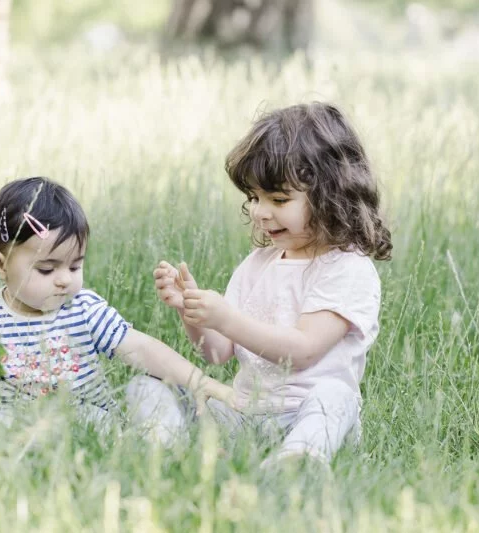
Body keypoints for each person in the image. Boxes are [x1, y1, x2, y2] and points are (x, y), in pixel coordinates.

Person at [154, 102, 392, 464]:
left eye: (279, 199)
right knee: (160, 389)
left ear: (330, 196)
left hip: (306, 416)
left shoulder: (347, 269)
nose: (261, 212)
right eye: (254, 198)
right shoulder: (258, 265)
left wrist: (226, 318)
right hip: (247, 412)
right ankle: (176, 447)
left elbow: (301, 351)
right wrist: (193, 311)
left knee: (335, 396)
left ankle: (300, 457)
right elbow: (218, 353)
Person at [0, 177, 233, 444]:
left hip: (92, 422)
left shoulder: (82, 308)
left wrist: (199, 381)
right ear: (0, 264)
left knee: (145, 389)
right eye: (47, 269)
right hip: (20, 427)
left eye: (75, 266)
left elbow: (140, 348)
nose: (64, 279)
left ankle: (163, 448)